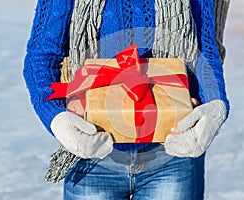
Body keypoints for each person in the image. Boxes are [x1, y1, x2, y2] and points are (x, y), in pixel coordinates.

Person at [23, 0, 230, 199]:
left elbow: (205, 52)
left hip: (173, 152)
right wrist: (56, 118)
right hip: (92, 152)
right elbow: (41, 56)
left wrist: (215, 104)